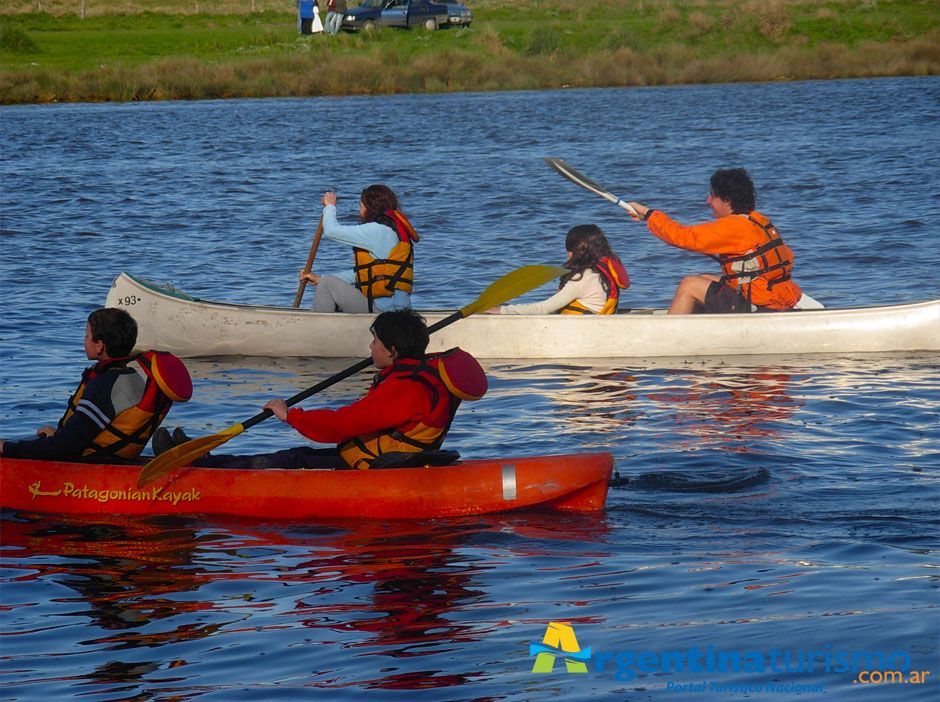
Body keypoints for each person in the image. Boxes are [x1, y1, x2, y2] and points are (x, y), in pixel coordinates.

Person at [155, 309, 486, 471]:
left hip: (382, 470)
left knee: (286, 459)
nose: (370, 347)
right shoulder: (419, 374)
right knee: (294, 457)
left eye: (375, 342)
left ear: (393, 350)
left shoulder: (404, 388)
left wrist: (291, 417)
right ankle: (205, 460)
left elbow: (343, 424)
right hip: (387, 460)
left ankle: (202, 470)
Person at [0, 308, 192, 462]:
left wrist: (6, 447)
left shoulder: (104, 385)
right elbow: (87, 433)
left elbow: (65, 447)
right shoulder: (133, 377)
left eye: (86, 335)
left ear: (99, 345)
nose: (84, 341)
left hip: (93, 467)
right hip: (116, 461)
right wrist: (57, 434)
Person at [627, 168, 802, 314]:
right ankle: (698, 329)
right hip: (776, 298)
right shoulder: (758, 221)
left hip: (761, 306)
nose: (708, 201)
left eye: (712, 196)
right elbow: (786, 257)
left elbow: (683, 237)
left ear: (726, 200)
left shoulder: (734, 227)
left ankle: (666, 337)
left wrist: (650, 214)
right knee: (703, 278)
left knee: (690, 284)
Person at [300, 185, 418, 313]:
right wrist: (318, 279)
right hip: (401, 312)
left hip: (383, 313)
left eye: (361, 207)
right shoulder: (392, 232)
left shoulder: (376, 231)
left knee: (327, 284)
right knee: (326, 282)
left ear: (370, 208)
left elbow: (330, 231)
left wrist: (330, 207)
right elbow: (364, 275)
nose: (360, 212)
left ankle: (318, 327)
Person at [486, 224, 629, 315]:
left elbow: (544, 309)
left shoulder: (583, 278)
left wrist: (502, 310)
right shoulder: (604, 271)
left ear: (577, 251)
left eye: (568, 249)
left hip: (582, 331)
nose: (566, 253)